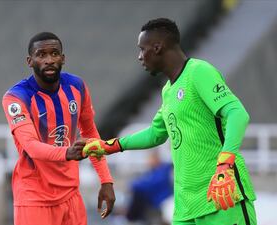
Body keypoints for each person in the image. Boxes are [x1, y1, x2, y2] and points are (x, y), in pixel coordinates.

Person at [83, 18, 257, 225]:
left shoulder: (198, 72)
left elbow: (237, 113)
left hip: (223, 198)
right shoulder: (168, 90)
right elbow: (155, 134)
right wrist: (108, 146)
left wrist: (225, 165)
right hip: (186, 208)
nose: (140, 57)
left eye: (142, 49)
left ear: (157, 47)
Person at [2, 32, 115, 225]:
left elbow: (90, 133)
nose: (49, 60)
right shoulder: (16, 97)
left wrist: (106, 180)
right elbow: (30, 145)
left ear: (63, 58)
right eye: (41, 55)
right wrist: (67, 153)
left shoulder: (76, 86)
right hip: (34, 198)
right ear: (30, 61)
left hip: (71, 194)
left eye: (54, 54)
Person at [126, 151, 172, 225]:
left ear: (157, 159)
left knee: (138, 192)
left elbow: (151, 184)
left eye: (151, 159)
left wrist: (133, 184)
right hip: (153, 201)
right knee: (138, 194)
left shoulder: (163, 170)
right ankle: (131, 217)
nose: (149, 162)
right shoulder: (152, 172)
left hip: (164, 200)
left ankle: (131, 218)